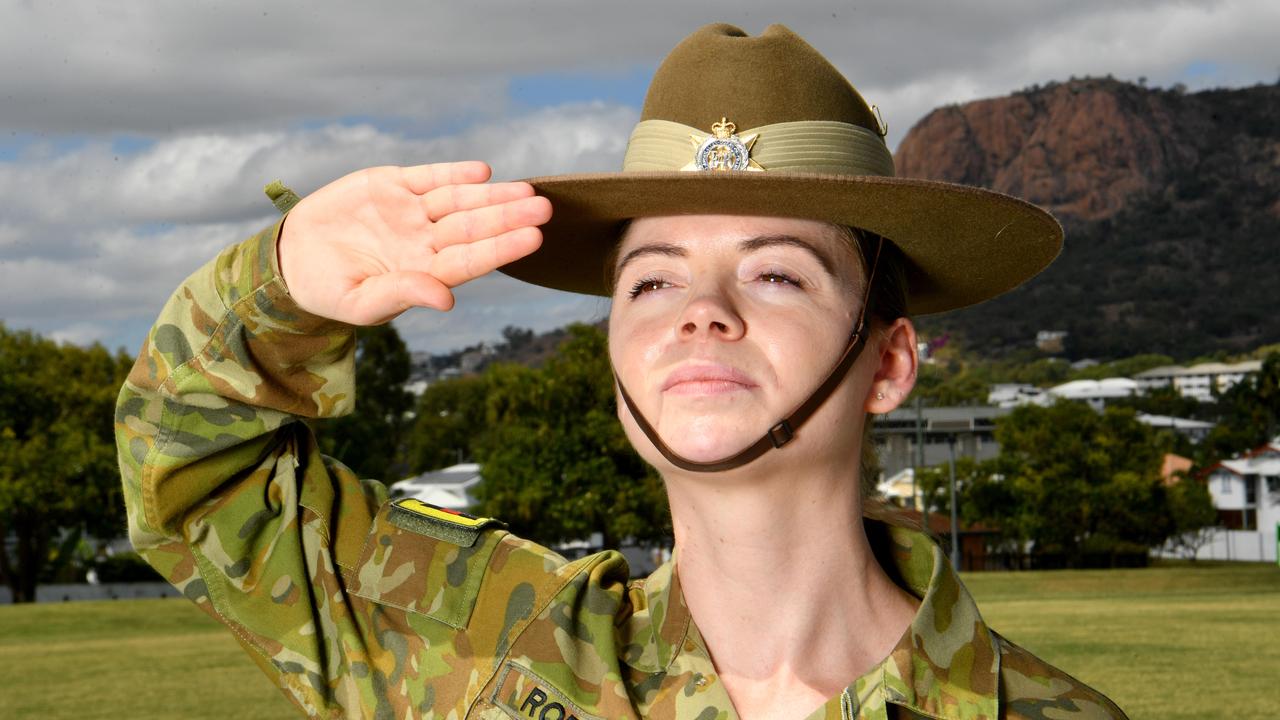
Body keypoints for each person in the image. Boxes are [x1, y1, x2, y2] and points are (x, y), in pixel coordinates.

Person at [116, 23, 1127, 720]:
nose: (700, 312)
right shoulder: (483, 651)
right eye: (649, 283)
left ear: (888, 360)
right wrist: (278, 283)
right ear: (613, 353)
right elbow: (200, 482)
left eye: (775, 273)